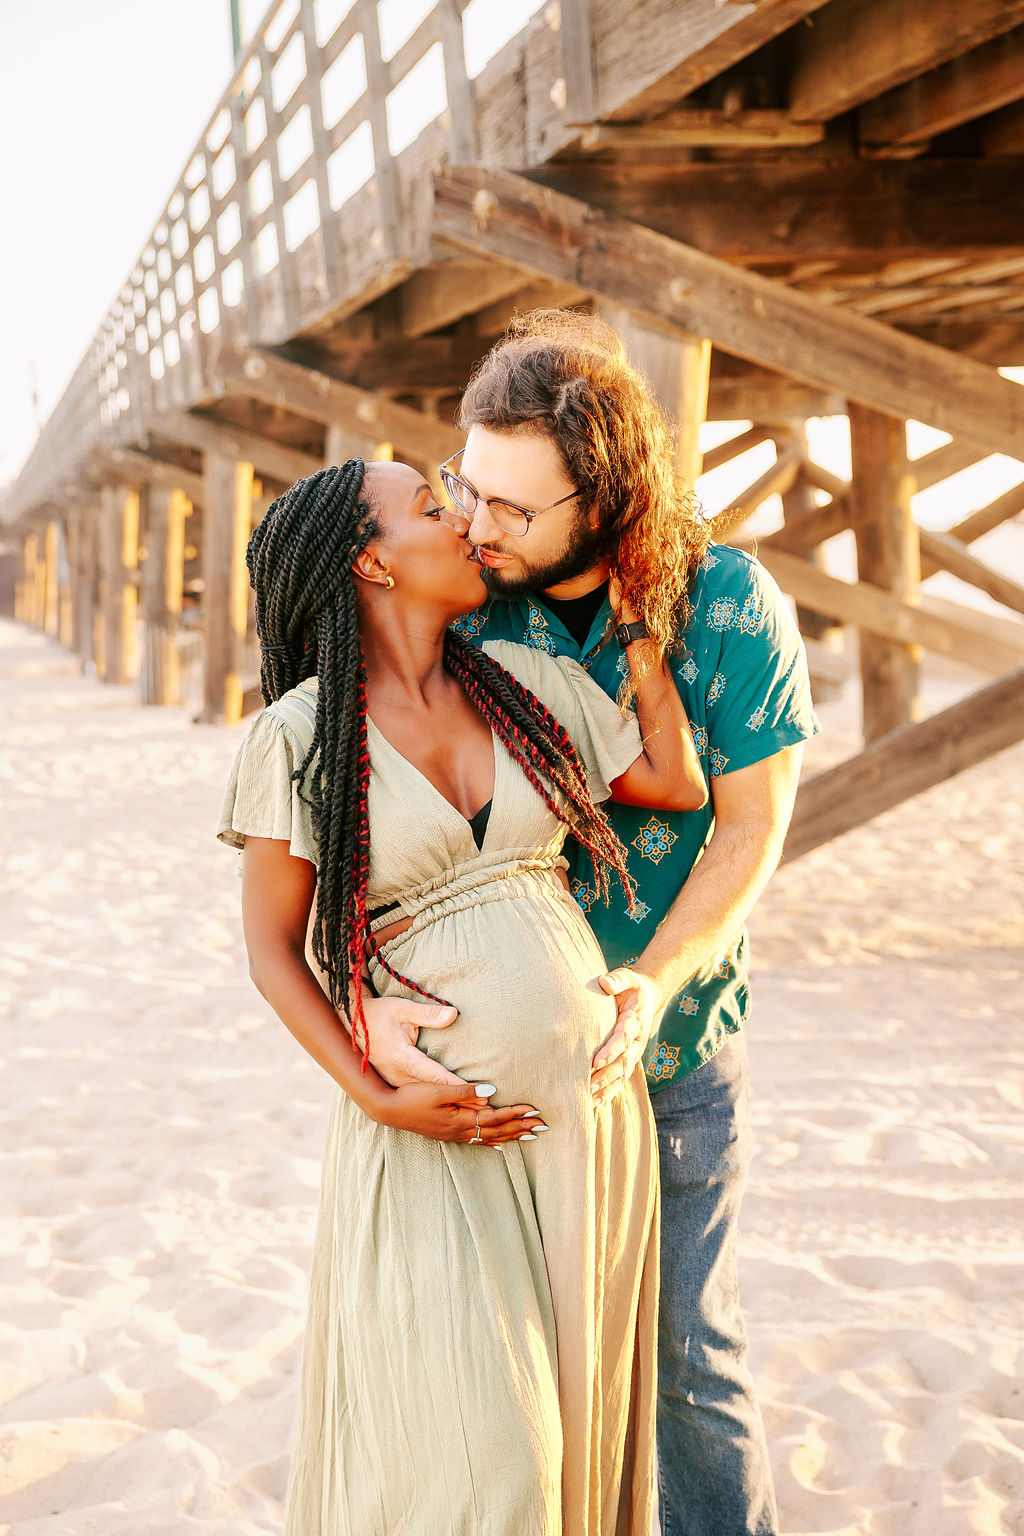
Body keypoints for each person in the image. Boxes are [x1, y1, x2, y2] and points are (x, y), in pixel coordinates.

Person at [356, 312, 821, 1536]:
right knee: (515, 1375)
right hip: (494, 1070)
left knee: (684, 1364)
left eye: (517, 508)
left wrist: (656, 979)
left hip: (666, 1054)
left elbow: (744, 826)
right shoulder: (458, 595)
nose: (479, 524)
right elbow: (352, 807)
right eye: (469, 488)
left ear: (603, 493)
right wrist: (358, 986)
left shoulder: (726, 601)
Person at [217, 456, 708, 1535]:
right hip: (437, 1139)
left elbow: (673, 786)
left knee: (572, 1444)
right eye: (437, 510)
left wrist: (635, 633)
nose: (470, 524)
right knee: (492, 1469)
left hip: (584, 1129)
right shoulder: (299, 737)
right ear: (373, 562)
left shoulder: (524, 690)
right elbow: (267, 948)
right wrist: (372, 1087)